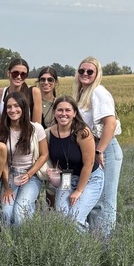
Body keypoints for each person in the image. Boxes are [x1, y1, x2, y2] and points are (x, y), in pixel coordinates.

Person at [74, 57, 123, 233]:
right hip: (92, 149)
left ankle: (104, 244)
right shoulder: (82, 94)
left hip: (105, 149)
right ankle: (94, 242)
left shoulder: (98, 92)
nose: (85, 74)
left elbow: (110, 123)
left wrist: (99, 150)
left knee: (104, 201)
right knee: (92, 199)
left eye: (90, 71)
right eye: (82, 71)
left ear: (97, 74)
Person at [47, 95, 104, 230]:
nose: (63, 114)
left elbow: (89, 164)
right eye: (60, 110)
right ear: (54, 112)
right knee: (62, 218)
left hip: (90, 178)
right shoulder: (50, 133)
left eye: (68, 110)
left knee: (75, 219)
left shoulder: (82, 132)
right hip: (67, 178)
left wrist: (78, 190)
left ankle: (84, 249)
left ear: (74, 113)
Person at [0, 92, 48, 227]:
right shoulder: (0, 131)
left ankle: (22, 245)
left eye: (16, 106)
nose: (12, 110)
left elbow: (44, 154)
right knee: (6, 213)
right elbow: (3, 162)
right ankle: (6, 244)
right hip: (10, 174)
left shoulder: (36, 129)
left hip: (31, 175)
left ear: (24, 108)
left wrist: (29, 174)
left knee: (20, 214)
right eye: (9, 107)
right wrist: (7, 186)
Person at [0, 58, 42, 125]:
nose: (19, 77)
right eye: (15, 73)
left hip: (27, 134)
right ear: (8, 73)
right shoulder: (0, 93)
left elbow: (36, 123)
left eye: (23, 74)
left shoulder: (34, 92)